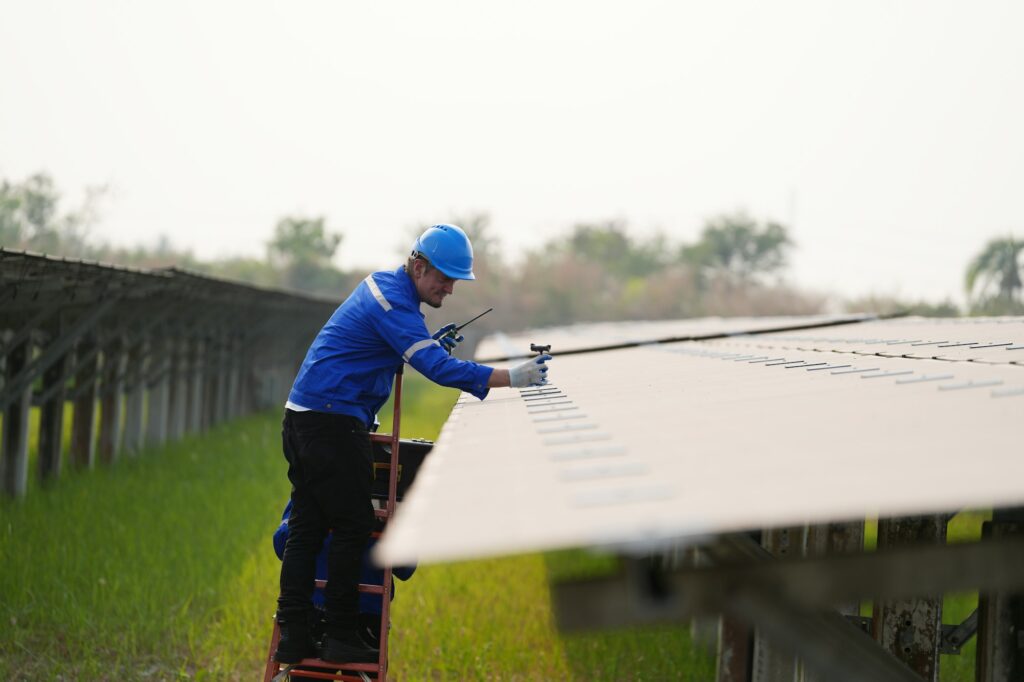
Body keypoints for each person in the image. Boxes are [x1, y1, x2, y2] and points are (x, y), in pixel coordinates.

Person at [274, 224, 551, 664]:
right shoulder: (393, 304)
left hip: (305, 417)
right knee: (352, 525)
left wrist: (423, 345)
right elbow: (437, 370)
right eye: (444, 278)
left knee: (307, 526)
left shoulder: (387, 292)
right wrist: (510, 378)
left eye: (455, 280)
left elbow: (389, 349)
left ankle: (294, 634)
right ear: (418, 267)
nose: (450, 289)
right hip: (331, 421)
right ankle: (341, 633)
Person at [272, 501, 416, 653]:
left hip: (311, 608)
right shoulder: (392, 496)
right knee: (362, 675)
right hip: (367, 613)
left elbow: (282, 544)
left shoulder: (311, 485)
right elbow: (406, 568)